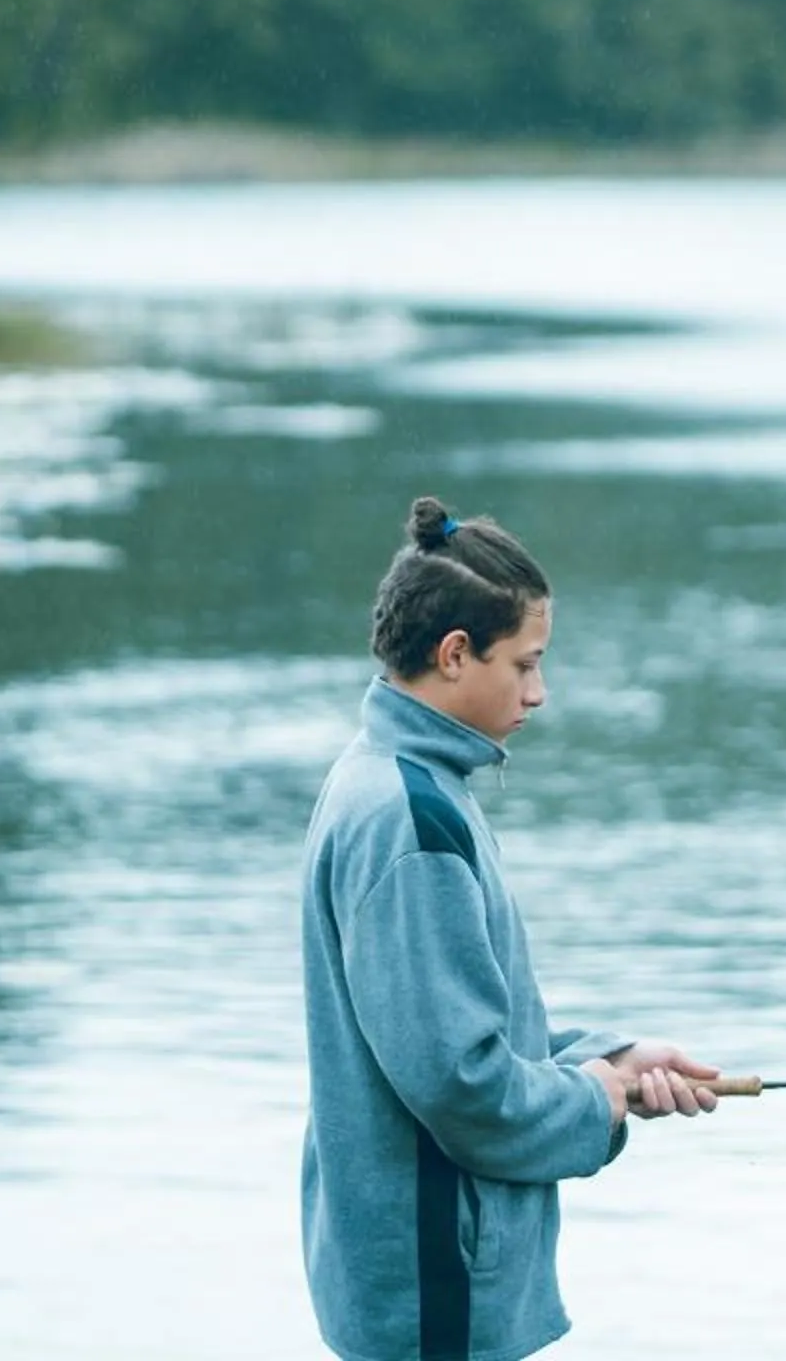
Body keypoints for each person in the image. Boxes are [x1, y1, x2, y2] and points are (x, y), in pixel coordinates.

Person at [300, 496, 721, 1361]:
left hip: (422, 1279)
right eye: (525, 664)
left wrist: (606, 1060)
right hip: (435, 1290)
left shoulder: (397, 777)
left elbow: (445, 1033)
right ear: (456, 654)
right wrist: (594, 1103)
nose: (540, 691)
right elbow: (461, 1086)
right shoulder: (408, 818)